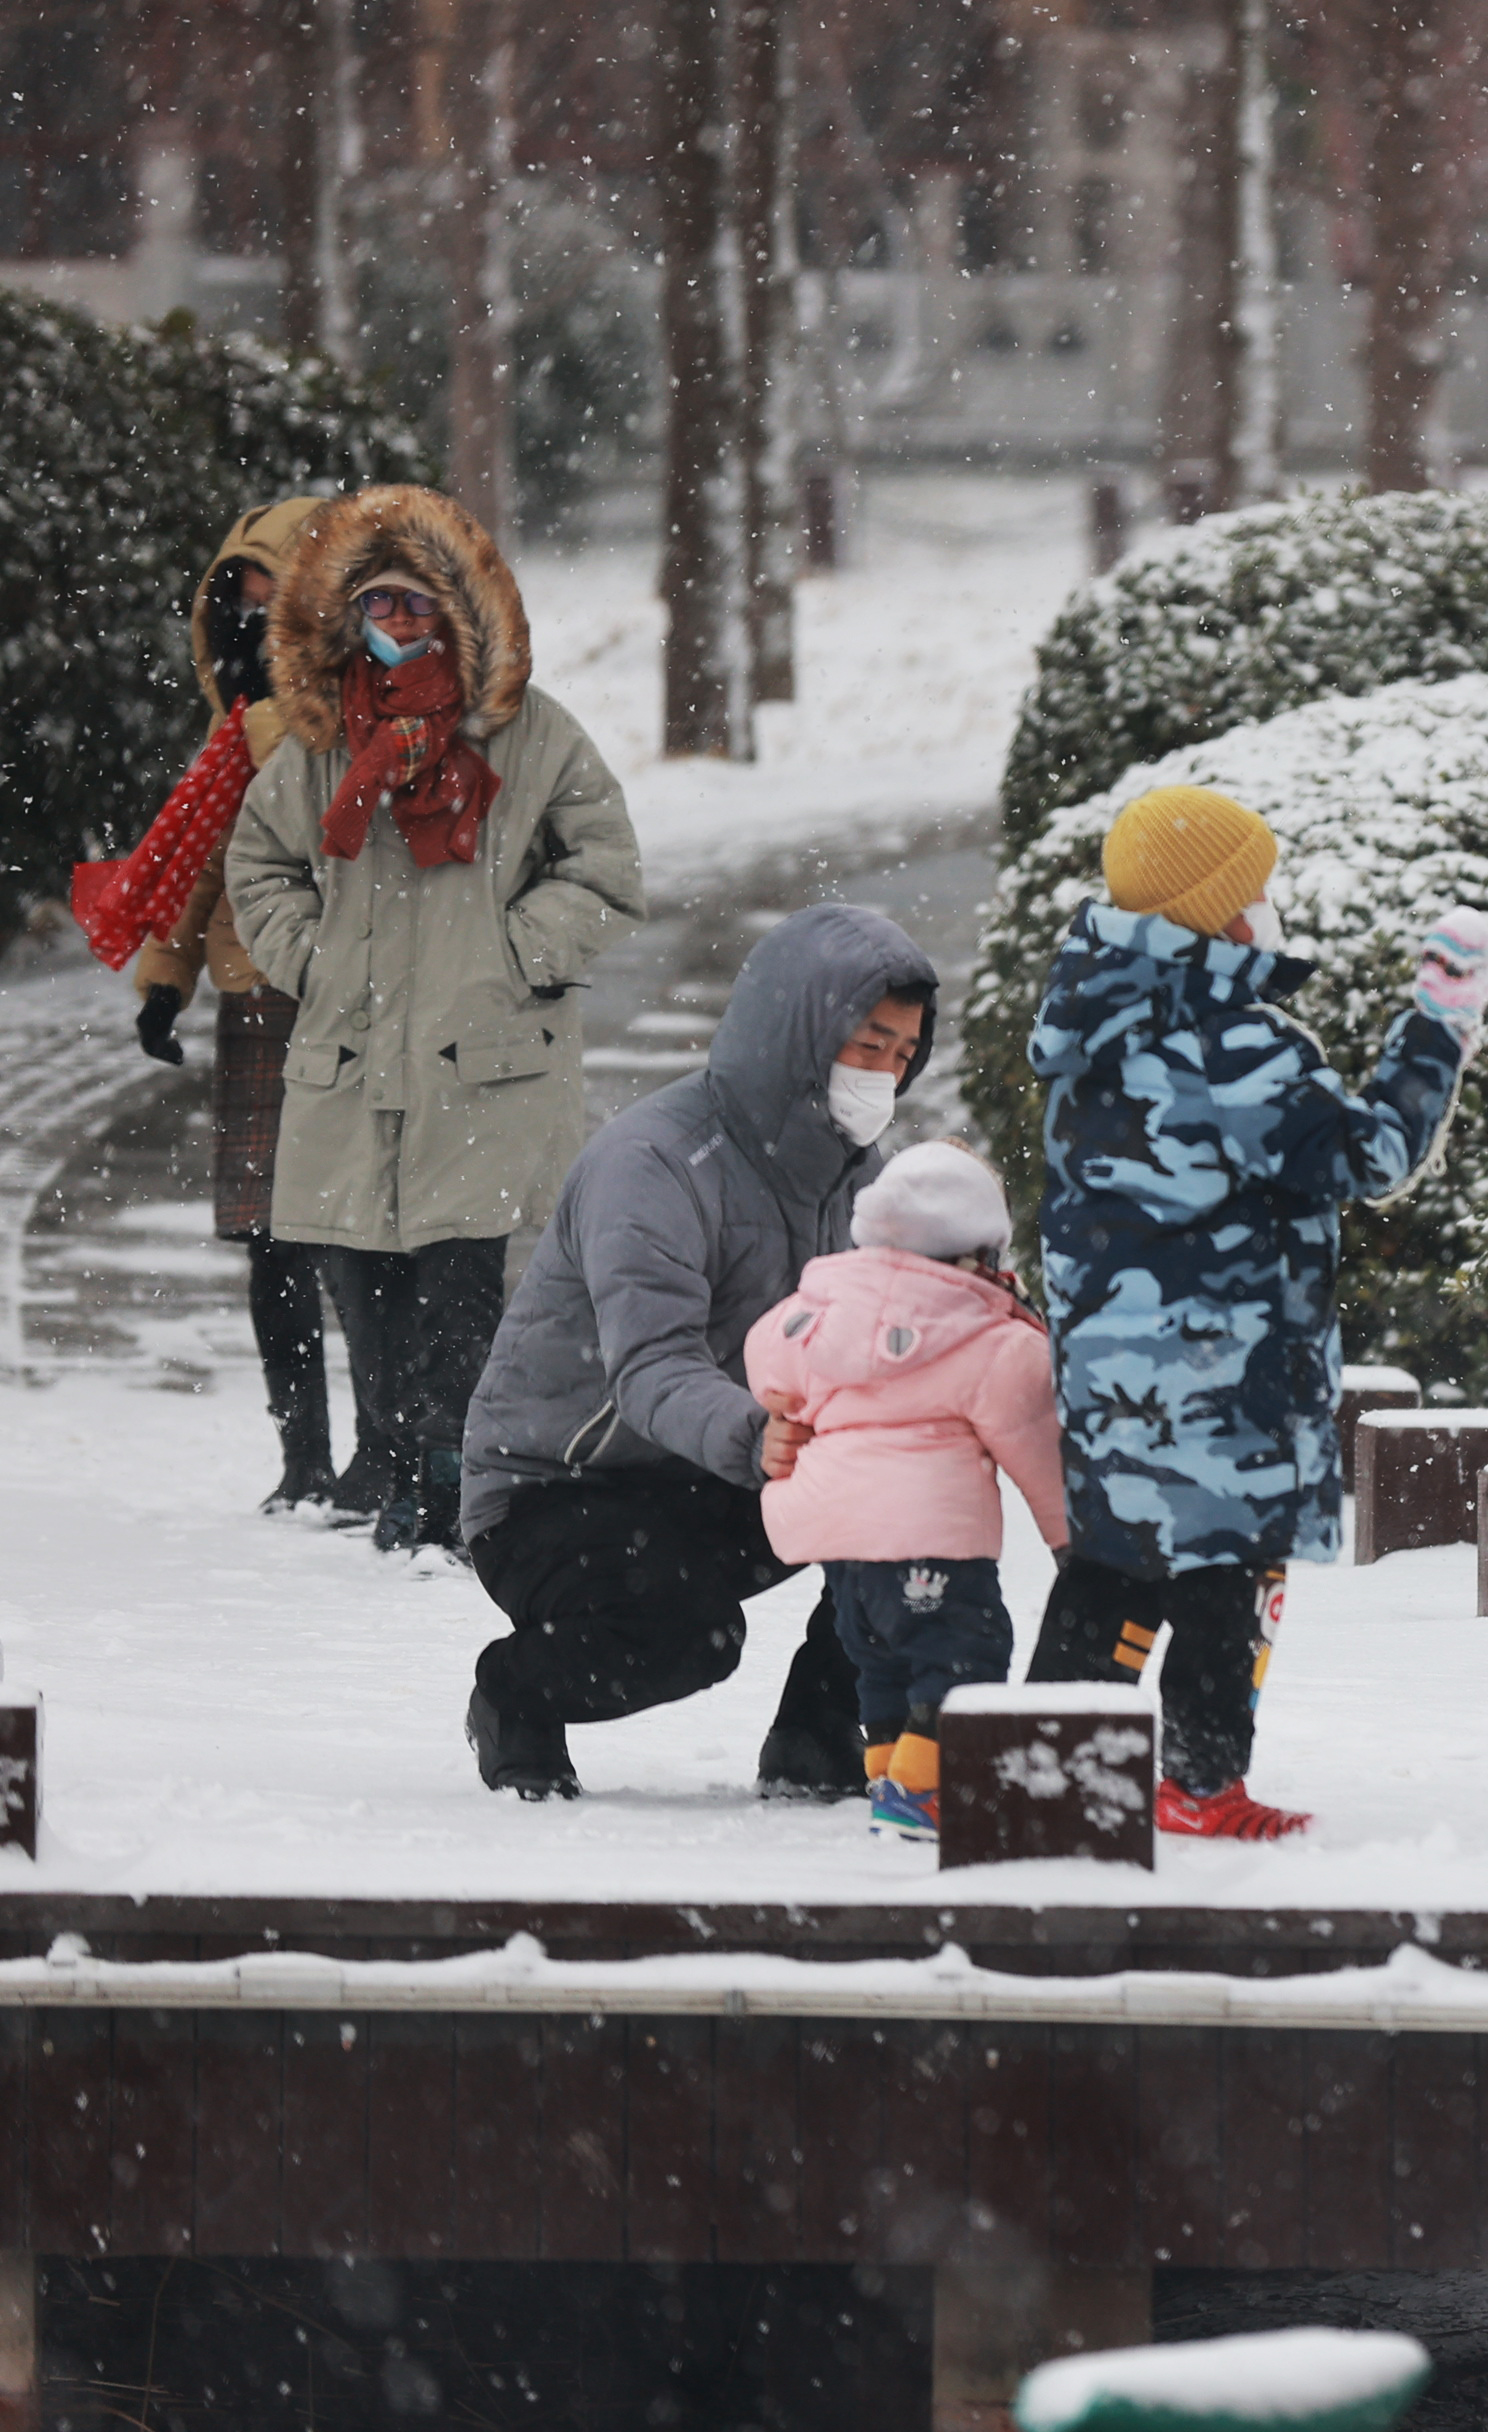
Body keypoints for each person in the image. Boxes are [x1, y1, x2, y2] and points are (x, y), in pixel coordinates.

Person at [1023, 785, 1488, 1840]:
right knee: (1224, 1570)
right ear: (1219, 915)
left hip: (1110, 1361)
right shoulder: (1232, 1042)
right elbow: (1368, 1155)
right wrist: (1436, 1030)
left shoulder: (1091, 1026)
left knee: (1112, 1562)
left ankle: (1047, 1770)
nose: (1270, 904)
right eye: (1257, 889)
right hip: (1221, 1365)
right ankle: (1197, 1778)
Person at [225, 485, 644, 1557]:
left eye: (417, 607)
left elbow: (604, 867)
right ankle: (399, 1464)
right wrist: (310, 958)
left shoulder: (535, 738)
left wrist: (516, 953)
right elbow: (259, 864)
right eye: (379, 606)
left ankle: (453, 1482)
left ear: (458, 615)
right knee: (364, 1290)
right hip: (354, 1066)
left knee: (462, 1296)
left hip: (484, 1068)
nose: (398, 627)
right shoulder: (317, 742)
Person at [457, 903, 938, 1802]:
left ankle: (819, 1743)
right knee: (692, 1638)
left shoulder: (863, 1176)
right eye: (869, 1046)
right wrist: (755, 1433)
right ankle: (514, 1692)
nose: (885, 1074)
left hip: (720, 1473)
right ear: (800, 1032)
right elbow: (649, 1364)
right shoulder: (656, 1162)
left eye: (903, 1056)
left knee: (914, 1506)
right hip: (557, 1489)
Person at [67, 496, 376, 1518]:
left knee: (358, 1235)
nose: (246, 614)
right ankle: (304, 1456)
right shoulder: (230, 728)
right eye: (232, 594)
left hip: (346, 994)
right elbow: (199, 860)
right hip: (255, 1000)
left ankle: (384, 1448)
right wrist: (166, 980)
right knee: (270, 1240)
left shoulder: (359, 712)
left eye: (268, 592)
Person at [744, 1140, 1070, 1846]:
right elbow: (1037, 1449)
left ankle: (892, 1780)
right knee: (963, 1652)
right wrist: (1072, 1539)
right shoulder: (991, 1340)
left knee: (883, 1665)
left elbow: (766, 1361)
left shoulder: (814, 1312)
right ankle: (924, 1794)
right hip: (931, 1539)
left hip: (841, 1546)